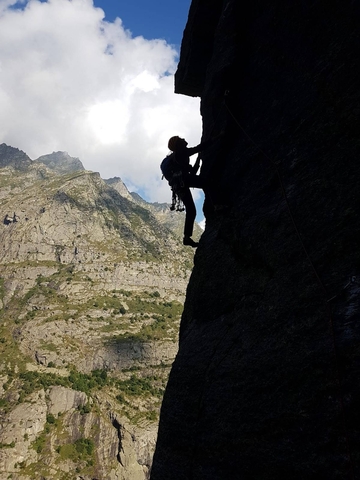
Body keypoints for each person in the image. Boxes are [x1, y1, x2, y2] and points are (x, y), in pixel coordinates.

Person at [167, 135, 209, 248]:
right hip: (183, 180)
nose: (184, 139)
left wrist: (199, 158)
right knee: (207, 182)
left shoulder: (176, 159)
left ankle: (187, 237)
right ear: (178, 144)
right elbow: (198, 148)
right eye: (181, 139)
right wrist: (219, 136)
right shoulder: (181, 152)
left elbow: (193, 171)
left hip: (179, 185)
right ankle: (219, 204)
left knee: (191, 210)